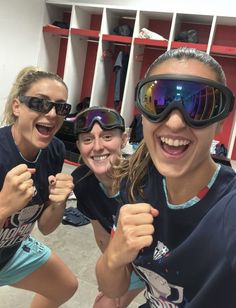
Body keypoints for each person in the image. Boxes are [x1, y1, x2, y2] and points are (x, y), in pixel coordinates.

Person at [95, 47, 236, 307]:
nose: (174, 122)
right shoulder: (137, 183)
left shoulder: (228, 210)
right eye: (158, 101)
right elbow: (111, 287)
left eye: (199, 106)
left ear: (220, 122)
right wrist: (115, 256)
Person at [0, 66, 78, 307]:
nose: (52, 113)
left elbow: (45, 227)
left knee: (65, 286)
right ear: (17, 106)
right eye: (39, 103)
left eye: (61, 107)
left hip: (11, 251)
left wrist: (58, 202)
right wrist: (4, 205)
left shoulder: (54, 149)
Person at [72, 106, 145, 307]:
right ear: (79, 146)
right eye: (88, 139)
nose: (97, 147)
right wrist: (111, 272)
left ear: (123, 139)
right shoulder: (82, 183)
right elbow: (103, 237)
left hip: (164, 261)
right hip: (131, 264)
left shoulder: (143, 179)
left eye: (107, 137)